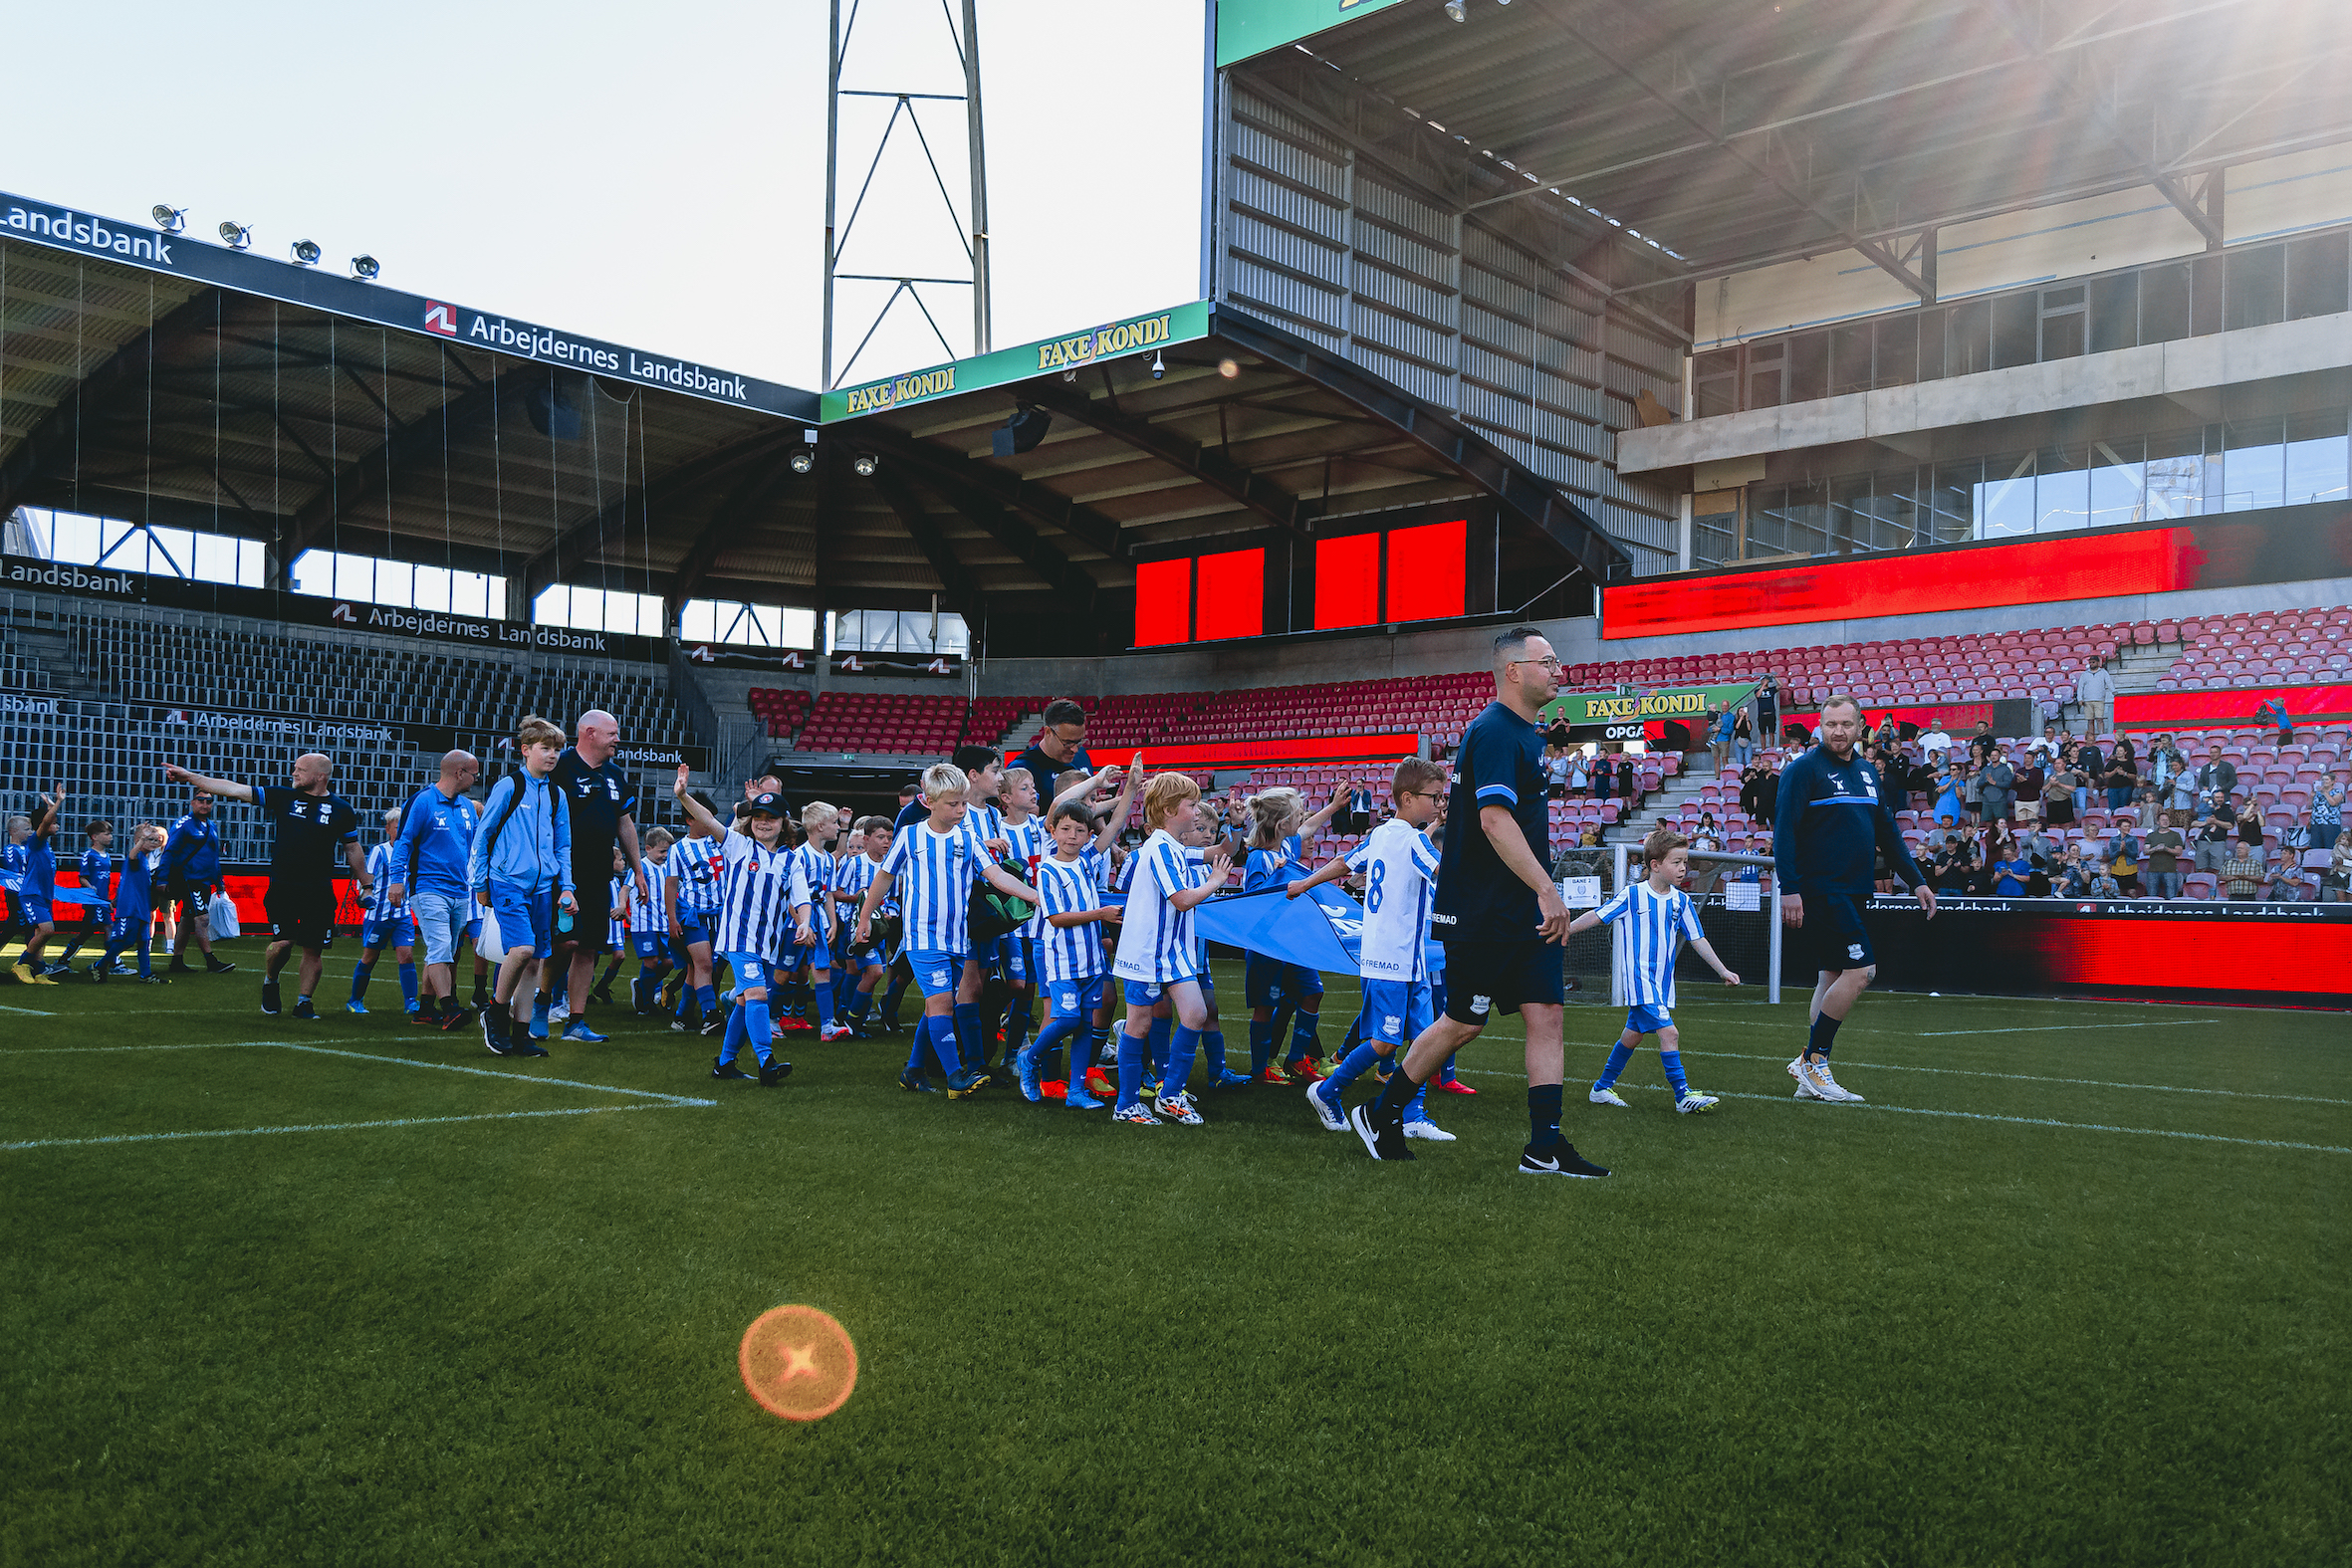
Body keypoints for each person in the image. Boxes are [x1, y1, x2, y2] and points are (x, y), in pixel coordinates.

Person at [1350, 625, 1611, 1179]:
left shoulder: (1525, 735)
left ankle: (1544, 1146)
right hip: (1483, 909)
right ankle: (1381, 1112)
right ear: (1513, 671)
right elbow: (1494, 820)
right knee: (1463, 1023)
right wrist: (1547, 889)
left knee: (1548, 1015)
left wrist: (1537, 894)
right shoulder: (1493, 731)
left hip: (1521, 910)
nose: (1559, 671)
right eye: (1547, 661)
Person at [1775, 694, 1936, 1104]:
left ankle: (1808, 1076)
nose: (1838, 731)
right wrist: (1789, 888)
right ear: (1820, 726)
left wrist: (1916, 881)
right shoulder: (1803, 770)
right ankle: (1814, 1061)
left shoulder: (1866, 771)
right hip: (1821, 888)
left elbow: (1887, 831)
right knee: (1862, 971)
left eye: (1846, 724)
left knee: (1831, 975)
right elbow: (1784, 832)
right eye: (1831, 724)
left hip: (1856, 887)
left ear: (1860, 727)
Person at [853, 761, 1041, 1097]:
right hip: (922, 936)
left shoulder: (968, 839)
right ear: (929, 802)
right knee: (942, 1003)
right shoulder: (911, 836)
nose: (961, 810)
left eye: (963, 803)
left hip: (958, 937)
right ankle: (956, 1077)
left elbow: (997, 876)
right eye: (953, 804)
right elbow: (884, 878)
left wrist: (1036, 896)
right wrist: (866, 917)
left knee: (937, 1004)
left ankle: (913, 1070)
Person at [1292, 758, 1455, 1142]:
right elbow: (1444, 873)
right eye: (1434, 797)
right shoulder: (1413, 841)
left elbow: (1344, 862)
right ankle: (1327, 1091)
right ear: (1408, 798)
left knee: (1424, 1038)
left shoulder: (1383, 835)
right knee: (1384, 1042)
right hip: (1393, 960)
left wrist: (1305, 883)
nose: (1438, 804)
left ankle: (1413, 1114)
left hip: (1407, 959)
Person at [162, 754, 368, 1020]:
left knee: (313, 949)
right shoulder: (284, 797)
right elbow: (232, 789)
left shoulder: (341, 809)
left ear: (320, 776)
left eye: (300, 769)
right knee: (283, 943)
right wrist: (190, 776)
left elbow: (352, 847)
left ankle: (304, 1002)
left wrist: (367, 883)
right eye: (294, 768)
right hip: (284, 885)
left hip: (319, 889)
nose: (294, 773)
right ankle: (271, 980)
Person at [1566, 828, 1737, 1113]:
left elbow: (1698, 939)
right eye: (1676, 862)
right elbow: (1598, 915)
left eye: (1685, 862)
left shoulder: (1681, 901)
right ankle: (1682, 1096)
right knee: (1670, 1033)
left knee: (1632, 1036)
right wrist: (1567, 930)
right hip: (1640, 981)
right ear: (1655, 865)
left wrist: (1723, 970)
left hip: (1662, 984)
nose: (1683, 868)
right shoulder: (1633, 895)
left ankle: (1601, 1088)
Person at [1105, 772, 1231, 1127]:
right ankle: (1127, 1104)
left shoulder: (1173, 847)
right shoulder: (1159, 848)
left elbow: (1219, 851)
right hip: (1147, 953)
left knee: (1195, 1013)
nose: (1197, 811)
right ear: (1170, 810)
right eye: (1192, 805)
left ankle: (1170, 1094)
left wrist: (1236, 827)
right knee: (1140, 1024)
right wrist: (1214, 882)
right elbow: (1181, 899)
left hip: (1172, 952)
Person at [668, 772, 796, 1086]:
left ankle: (725, 1063)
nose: (764, 823)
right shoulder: (738, 844)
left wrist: (804, 921)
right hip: (738, 938)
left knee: (743, 1000)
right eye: (758, 817)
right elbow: (708, 820)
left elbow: (798, 898)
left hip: (767, 943)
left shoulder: (788, 859)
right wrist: (683, 795)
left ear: (783, 823)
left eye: (771, 818)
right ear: (750, 822)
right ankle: (766, 1061)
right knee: (756, 994)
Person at [534, 711, 650, 1045]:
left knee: (589, 947)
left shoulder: (614, 774)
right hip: (562, 874)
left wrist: (637, 869)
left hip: (600, 874)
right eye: (612, 733)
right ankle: (543, 1000)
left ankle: (576, 1020)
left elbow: (624, 823)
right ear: (589, 733)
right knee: (566, 941)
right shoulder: (560, 767)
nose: (617, 739)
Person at [466, 718, 576, 1057]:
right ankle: (496, 1012)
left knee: (535, 962)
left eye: (557, 749)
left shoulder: (557, 794)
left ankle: (521, 1033)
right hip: (508, 881)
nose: (552, 755)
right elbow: (483, 835)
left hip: (543, 888)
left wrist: (567, 887)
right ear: (525, 750)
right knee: (524, 950)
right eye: (546, 748)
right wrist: (480, 882)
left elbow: (562, 845)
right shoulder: (509, 786)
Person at [1020, 792, 1133, 1107]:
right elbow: (1056, 918)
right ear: (1053, 831)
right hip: (1062, 962)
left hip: (1092, 960)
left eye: (1080, 830)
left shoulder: (1086, 860)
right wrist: (1100, 914)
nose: (1072, 836)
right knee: (1067, 1020)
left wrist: (1131, 788)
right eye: (1066, 829)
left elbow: (1114, 825)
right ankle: (1030, 1058)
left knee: (1085, 1024)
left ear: (1088, 835)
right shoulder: (1048, 870)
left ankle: (1076, 1092)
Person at [1242, 783, 1351, 1083]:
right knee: (1265, 1007)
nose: (1302, 820)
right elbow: (1254, 902)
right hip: (1267, 946)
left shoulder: (1287, 845)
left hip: (1292, 943)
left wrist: (1334, 807)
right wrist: (1278, 877)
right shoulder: (1259, 859)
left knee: (1313, 992)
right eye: (1297, 815)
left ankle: (1296, 1058)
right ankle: (1260, 1068)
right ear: (1281, 824)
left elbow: (1309, 827)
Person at [386, 749, 482, 1031]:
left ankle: (425, 1008)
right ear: (459, 772)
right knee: (440, 947)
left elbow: (476, 847)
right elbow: (404, 842)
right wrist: (397, 879)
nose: (476, 779)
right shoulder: (423, 801)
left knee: (445, 951)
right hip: (429, 887)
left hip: (460, 889)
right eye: (474, 773)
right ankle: (450, 1007)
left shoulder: (467, 808)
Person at [783, 801, 849, 1043]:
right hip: (795, 924)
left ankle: (827, 1027)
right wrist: (803, 923)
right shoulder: (798, 856)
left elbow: (828, 893)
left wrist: (833, 923)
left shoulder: (829, 859)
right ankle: (771, 1018)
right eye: (834, 823)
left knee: (822, 971)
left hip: (819, 921)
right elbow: (789, 896)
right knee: (783, 974)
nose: (837, 827)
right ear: (820, 826)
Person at [154, 786, 236, 977]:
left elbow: (213, 856)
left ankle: (177, 960)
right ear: (192, 803)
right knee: (202, 918)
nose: (205, 804)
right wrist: (162, 878)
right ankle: (211, 961)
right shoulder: (184, 824)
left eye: (208, 801)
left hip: (204, 879)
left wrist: (218, 880)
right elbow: (170, 852)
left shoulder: (211, 826)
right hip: (189, 878)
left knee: (188, 920)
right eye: (200, 800)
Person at [664, 793, 725, 1036]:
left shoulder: (720, 841)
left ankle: (682, 1015)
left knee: (696, 967)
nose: (710, 822)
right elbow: (671, 884)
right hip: (693, 914)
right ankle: (711, 1015)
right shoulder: (678, 849)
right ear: (690, 819)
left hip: (720, 914)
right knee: (704, 963)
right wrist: (672, 919)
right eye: (704, 816)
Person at [350, 809, 420, 1017]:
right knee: (370, 957)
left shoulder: (412, 852)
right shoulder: (379, 852)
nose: (401, 831)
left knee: (406, 955)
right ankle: (355, 999)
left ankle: (411, 1002)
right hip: (378, 915)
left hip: (402, 914)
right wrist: (365, 896)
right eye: (397, 827)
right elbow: (366, 879)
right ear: (387, 829)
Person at [92, 822, 167, 983]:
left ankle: (146, 975)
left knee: (144, 942)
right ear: (140, 840)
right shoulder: (137, 856)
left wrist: (116, 900)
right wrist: (142, 841)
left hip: (142, 907)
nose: (155, 842)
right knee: (126, 940)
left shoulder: (145, 859)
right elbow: (132, 856)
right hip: (131, 908)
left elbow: (128, 883)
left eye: (156, 840)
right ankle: (100, 964)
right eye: (151, 839)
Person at [5, 791, 65, 984]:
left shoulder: (44, 844)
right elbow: (45, 822)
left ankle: (39, 972)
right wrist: (58, 802)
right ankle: (21, 963)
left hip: (44, 895)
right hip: (32, 894)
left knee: (40, 934)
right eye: (54, 823)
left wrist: (50, 806)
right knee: (47, 930)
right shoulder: (35, 842)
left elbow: (45, 820)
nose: (57, 826)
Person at [1011, 698, 1094, 804]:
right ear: (1048, 732)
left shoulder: (1081, 754)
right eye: (1067, 743)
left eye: (1079, 742)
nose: (1075, 749)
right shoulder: (1024, 768)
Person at [2144, 811, 2187, 900]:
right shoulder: (2151, 836)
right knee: (2152, 897)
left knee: (2171, 897)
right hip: (2153, 870)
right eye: (2163, 820)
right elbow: (2145, 851)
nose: (2165, 822)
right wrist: (2156, 849)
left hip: (2170, 870)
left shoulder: (2175, 835)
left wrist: (2166, 849)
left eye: (2167, 820)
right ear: (2158, 822)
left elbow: (2179, 852)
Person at [2193, 796, 2236, 875]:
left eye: (2221, 797)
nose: (2219, 799)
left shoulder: (2227, 811)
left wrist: (2215, 821)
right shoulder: (2204, 809)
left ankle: (2215, 882)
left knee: (2217, 868)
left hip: (2218, 842)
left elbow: (2230, 826)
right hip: (2202, 842)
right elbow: (2193, 823)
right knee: (2200, 867)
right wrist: (2206, 823)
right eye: (2217, 797)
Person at [2074, 654, 2116, 736]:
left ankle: (2101, 735)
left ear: (2098, 662)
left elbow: (2109, 682)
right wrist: (2080, 698)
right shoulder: (2085, 674)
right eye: (2090, 662)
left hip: (2099, 699)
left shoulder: (2103, 672)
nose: (2091, 664)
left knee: (2100, 718)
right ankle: (2091, 736)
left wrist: (2114, 691)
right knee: (2090, 720)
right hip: (2087, 700)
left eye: (2093, 662)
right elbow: (2080, 687)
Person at [2102, 822, 2144, 898]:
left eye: (2128, 826)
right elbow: (2111, 855)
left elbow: (2134, 854)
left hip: (2130, 868)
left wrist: (2125, 849)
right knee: (2118, 891)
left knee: (2131, 891)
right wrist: (2119, 850)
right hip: (2116, 868)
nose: (2127, 828)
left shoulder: (2133, 839)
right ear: (2119, 827)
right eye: (2125, 826)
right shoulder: (2113, 840)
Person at [1980, 746, 2016, 825]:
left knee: (2001, 822)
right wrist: (1987, 781)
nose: (1993, 757)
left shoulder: (2005, 769)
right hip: (1987, 799)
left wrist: (1995, 783)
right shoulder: (1985, 769)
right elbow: (1979, 783)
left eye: (1995, 755)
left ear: (1999, 756)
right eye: (1992, 755)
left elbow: (2009, 784)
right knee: (1988, 822)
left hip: (2000, 800)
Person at [2103, 737, 2140, 812]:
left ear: (2125, 752)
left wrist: (2125, 774)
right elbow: (2106, 775)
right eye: (2117, 751)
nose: (2118, 752)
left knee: (2124, 807)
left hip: (2125, 788)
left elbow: (2134, 776)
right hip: (2112, 788)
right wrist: (2115, 771)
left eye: (2120, 751)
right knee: (2113, 808)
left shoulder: (2130, 763)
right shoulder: (2111, 762)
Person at [2308, 775, 2344, 851]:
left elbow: (2333, 803)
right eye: (2323, 780)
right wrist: (2311, 797)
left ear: (2333, 782)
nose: (2324, 782)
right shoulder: (2317, 793)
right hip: (2316, 823)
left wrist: (2325, 792)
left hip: (2331, 824)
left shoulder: (2338, 792)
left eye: (2326, 779)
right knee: (2316, 848)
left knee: (2330, 847)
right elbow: (2309, 806)